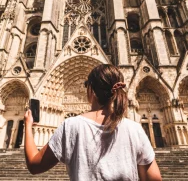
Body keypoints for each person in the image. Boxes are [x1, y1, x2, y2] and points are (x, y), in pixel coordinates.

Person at [24, 64, 162, 181]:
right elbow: (154, 178)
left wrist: (28, 126)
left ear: (91, 90)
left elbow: (34, 165)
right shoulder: (135, 129)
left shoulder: (71, 125)